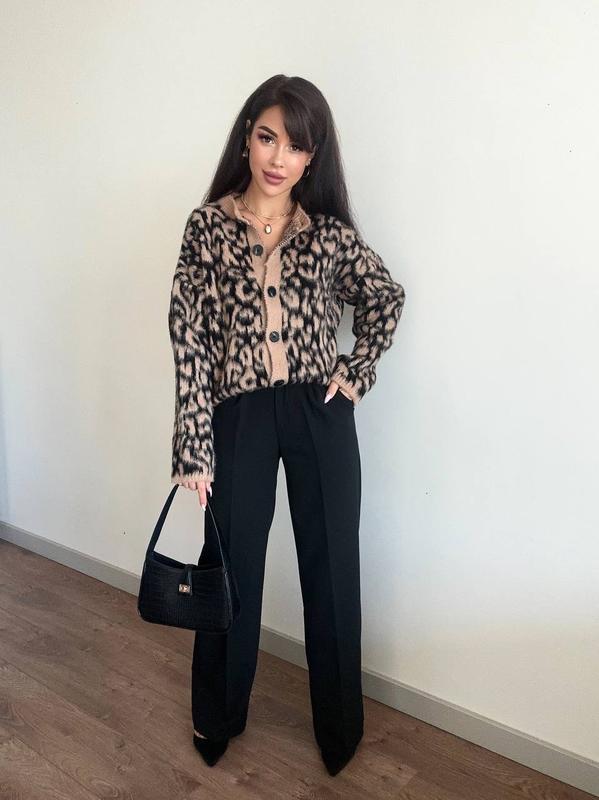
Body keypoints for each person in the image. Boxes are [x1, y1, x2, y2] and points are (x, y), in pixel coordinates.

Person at [168, 74, 406, 776]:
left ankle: (339, 730)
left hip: (318, 411)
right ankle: (217, 715)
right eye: (269, 137)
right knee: (230, 570)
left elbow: (386, 297)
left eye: (297, 145)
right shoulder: (206, 229)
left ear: (311, 157)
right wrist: (193, 445)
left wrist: (355, 372)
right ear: (247, 136)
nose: (279, 157)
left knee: (331, 569)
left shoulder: (328, 236)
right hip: (239, 413)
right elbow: (189, 339)